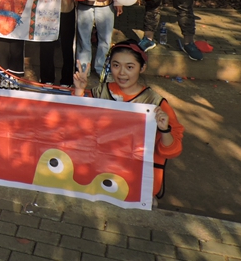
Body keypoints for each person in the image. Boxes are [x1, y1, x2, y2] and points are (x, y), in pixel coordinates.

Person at [72, 40, 183, 198]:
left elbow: (172, 151)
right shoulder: (99, 92)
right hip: (98, 176)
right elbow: (76, 126)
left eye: (130, 67)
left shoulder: (155, 103)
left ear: (142, 68)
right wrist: (79, 91)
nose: (122, 73)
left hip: (136, 184)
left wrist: (165, 130)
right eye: (116, 65)